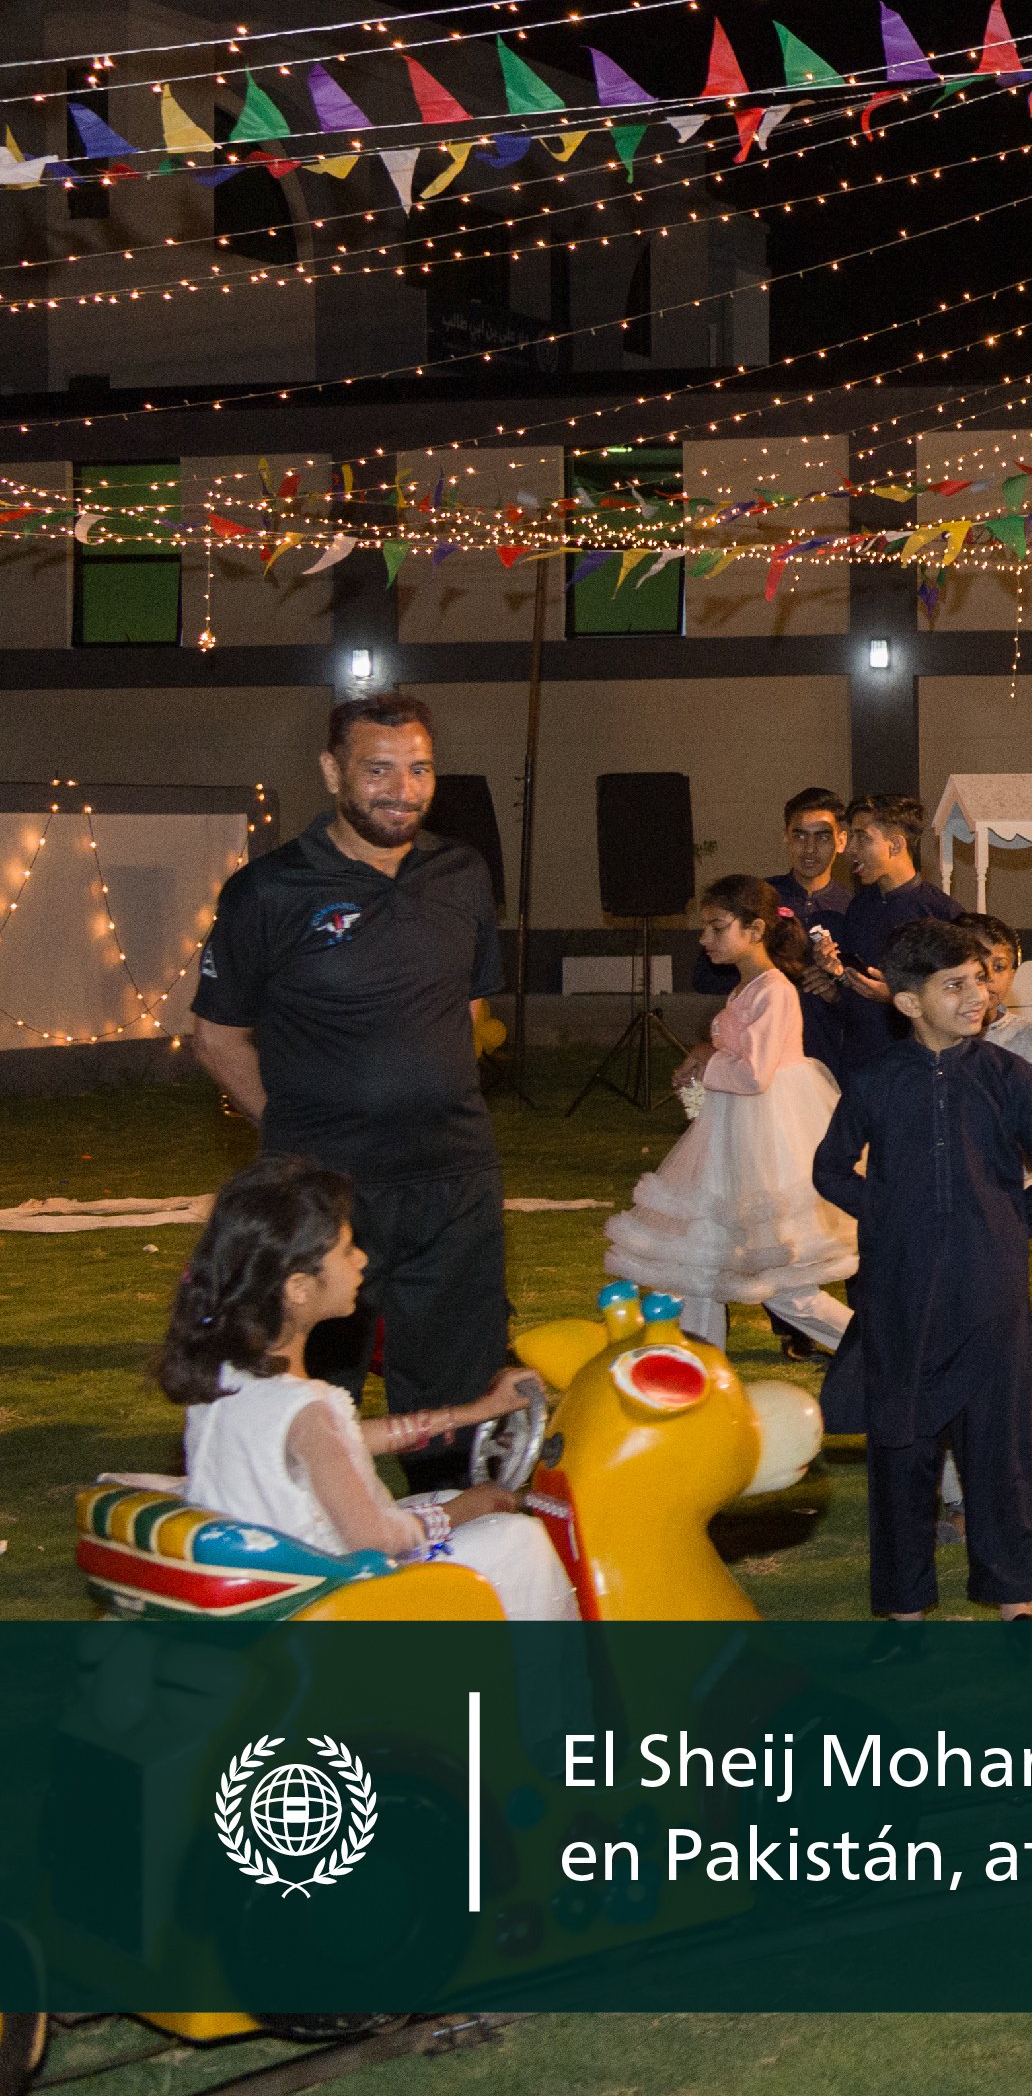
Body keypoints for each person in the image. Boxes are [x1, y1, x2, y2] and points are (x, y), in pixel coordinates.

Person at [190, 692, 511, 1495]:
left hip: (454, 1181)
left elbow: (469, 1010)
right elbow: (218, 1038)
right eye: (378, 770)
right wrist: (302, 1131)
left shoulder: (461, 871)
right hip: (324, 1193)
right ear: (333, 771)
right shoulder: (268, 890)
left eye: (419, 768)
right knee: (310, 1395)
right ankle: (317, 1569)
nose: (401, 789)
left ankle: (451, 1559)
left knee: (457, 1397)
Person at [159, 1156, 573, 1621]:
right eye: (346, 1250)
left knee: (438, 1505)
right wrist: (463, 1508)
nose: (362, 1261)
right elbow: (375, 1541)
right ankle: (544, 1688)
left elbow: (338, 1443)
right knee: (520, 1540)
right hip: (330, 1597)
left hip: (277, 1579)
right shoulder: (306, 1410)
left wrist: (474, 1413)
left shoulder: (228, 1377)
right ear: (298, 1287)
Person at [811, 917, 1032, 1619]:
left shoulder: (1007, 1074)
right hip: (900, 1299)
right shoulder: (875, 1082)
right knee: (901, 1453)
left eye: (982, 979)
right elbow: (829, 1167)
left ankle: (1011, 1594)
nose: (979, 993)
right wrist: (890, 1214)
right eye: (955, 983)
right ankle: (903, 1602)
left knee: (1000, 1452)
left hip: (991, 1298)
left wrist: (1003, 1227)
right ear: (907, 1002)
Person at [606, 875, 859, 1356]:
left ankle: (884, 1355)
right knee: (702, 1268)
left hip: (761, 1147)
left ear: (755, 929)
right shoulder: (747, 989)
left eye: (717, 927)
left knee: (783, 1287)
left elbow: (754, 1075)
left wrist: (708, 1061)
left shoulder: (774, 991)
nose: (705, 939)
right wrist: (703, 1062)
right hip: (730, 1142)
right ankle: (703, 1377)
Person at [805, 794, 958, 1073]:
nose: (850, 849)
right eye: (851, 837)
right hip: (859, 1065)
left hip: (915, 1069)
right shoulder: (860, 906)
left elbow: (958, 1000)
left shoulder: (940, 914)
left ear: (896, 845)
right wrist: (835, 980)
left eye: (862, 838)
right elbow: (852, 1000)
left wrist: (896, 995)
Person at [692, 787, 852, 1012]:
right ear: (786, 837)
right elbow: (706, 978)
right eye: (799, 835)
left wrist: (835, 988)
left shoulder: (853, 909)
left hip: (824, 1044)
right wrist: (770, 970)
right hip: (758, 1036)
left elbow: (864, 1004)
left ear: (841, 841)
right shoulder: (757, 897)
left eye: (822, 837)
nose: (809, 849)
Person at [955, 911, 1032, 1150]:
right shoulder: (935, 1036)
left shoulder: (1029, 1039)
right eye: (977, 963)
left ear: (1012, 974)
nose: (988, 977)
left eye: (999, 967)